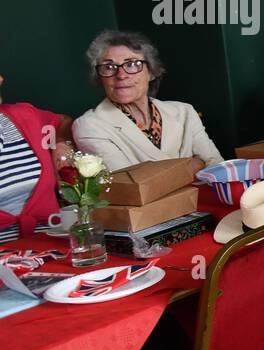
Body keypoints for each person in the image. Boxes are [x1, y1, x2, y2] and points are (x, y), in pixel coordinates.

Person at [72, 30, 223, 173]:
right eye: (109, 67)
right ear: (100, 78)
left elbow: (217, 166)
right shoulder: (89, 126)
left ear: (151, 72)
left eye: (131, 64)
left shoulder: (184, 112)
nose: (121, 75)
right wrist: (195, 164)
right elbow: (134, 186)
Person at [0, 74, 75, 243]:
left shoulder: (24, 116)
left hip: (53, 251)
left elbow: (62, 123)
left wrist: (61, 144)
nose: (1, 79)